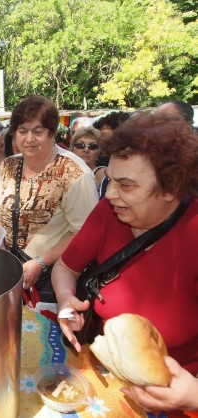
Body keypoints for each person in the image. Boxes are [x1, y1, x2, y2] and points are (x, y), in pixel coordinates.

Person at [52, 111, 198, 412]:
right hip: (111, 383)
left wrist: (192, 395)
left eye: (127, 185)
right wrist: (66, 299)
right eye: (111, 179)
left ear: (171, 188)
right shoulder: (108, 212)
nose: (111, 195)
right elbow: (65, 267)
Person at [0, 95, 99, 296]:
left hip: (53, 277)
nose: (29, 139)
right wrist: (2, 254)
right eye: (22, 131)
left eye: (38, 131)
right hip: (10, 269)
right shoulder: (8, 166)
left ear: (52, 133)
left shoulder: (75, 173)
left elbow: (85, 233)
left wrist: (40, 263)